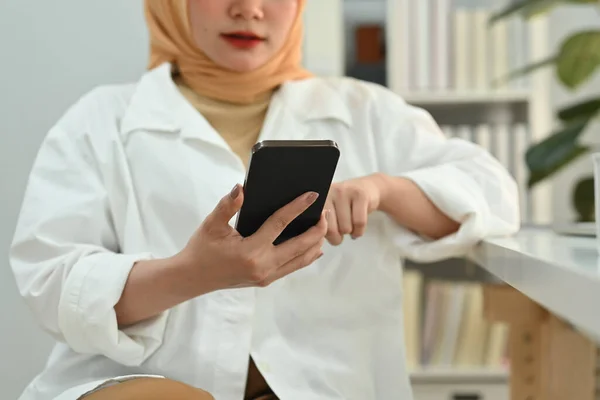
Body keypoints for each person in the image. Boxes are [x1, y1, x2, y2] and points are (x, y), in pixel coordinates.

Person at [9, 0, 520, 399]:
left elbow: (493, 194)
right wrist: (191, 273)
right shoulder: (101, 121)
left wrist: (383, 190)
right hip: (146, 390)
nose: (249, 10)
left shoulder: (365, 111)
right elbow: (51, 283)